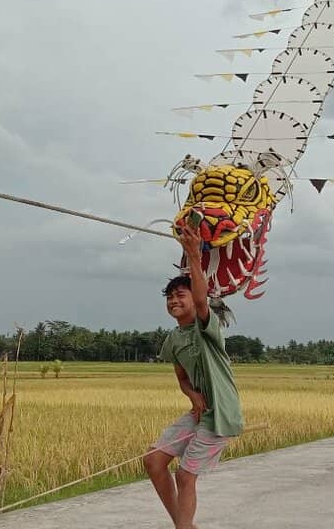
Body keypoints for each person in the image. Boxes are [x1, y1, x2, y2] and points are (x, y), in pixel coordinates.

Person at [143, 223, 244, 529]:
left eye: (180, 295)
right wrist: (192, 394)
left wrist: (194, 256)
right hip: (200, 412)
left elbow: (201, 300)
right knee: (154, 461)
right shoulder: (173, 340)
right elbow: (181, 377)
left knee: (185, 475)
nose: (174, 301)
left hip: (221, 415)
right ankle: (184, 526)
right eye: (170, 297)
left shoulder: (205, 326)